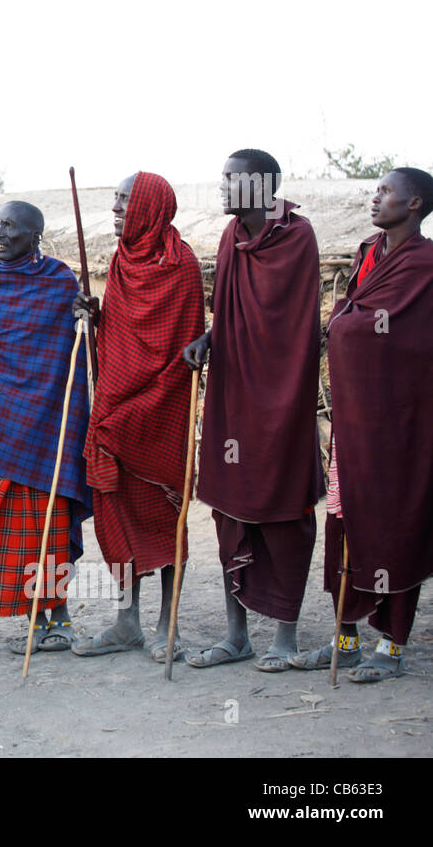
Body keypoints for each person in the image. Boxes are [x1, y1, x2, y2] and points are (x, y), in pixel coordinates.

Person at [182, 150, 325, 671]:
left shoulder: (297, 235)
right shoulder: (230, 237)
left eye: (231, 179)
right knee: (229, 507)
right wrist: (208, 338)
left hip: (282, 397)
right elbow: (231, 311)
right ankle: (235, 633)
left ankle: (285, 635)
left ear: (261, 184)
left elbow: (293, 323)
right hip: (233, 394)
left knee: (286, 511)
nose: (221, 187)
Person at [291, 167, 433, 682]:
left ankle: (392, 647)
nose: (376, 199)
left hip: (400, 425)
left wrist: (343, 326)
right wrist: (344, 324)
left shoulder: (424, 264)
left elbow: (411, 341)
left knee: (395, 524)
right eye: (375, 190)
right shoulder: (369, 253)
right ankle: (345, 638)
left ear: (414, 203)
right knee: (343, 520)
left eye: (386, 192)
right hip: (354, 425)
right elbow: (350, 315)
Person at [72, 172, 204, 662]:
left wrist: (145, 401)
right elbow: (124, 334)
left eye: (127, 200)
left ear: (151, 207)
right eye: (116, 199)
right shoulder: (120, 261)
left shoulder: (182, 264)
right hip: (115, 404)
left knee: (166, 514)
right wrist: (95, 314)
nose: (117, 208)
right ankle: (127, 621)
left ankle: (167, 624)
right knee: (116, 511)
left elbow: (181, 341)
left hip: (162, 407)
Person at [0, 203, 91, 651]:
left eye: (9, 226)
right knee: (15, 523)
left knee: (51, 522)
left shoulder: (60, 280)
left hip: (49, 421)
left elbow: (73, 350)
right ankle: (35, 621)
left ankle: (62, 620)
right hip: (0, 421)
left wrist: (89, 316)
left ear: (35, 234)